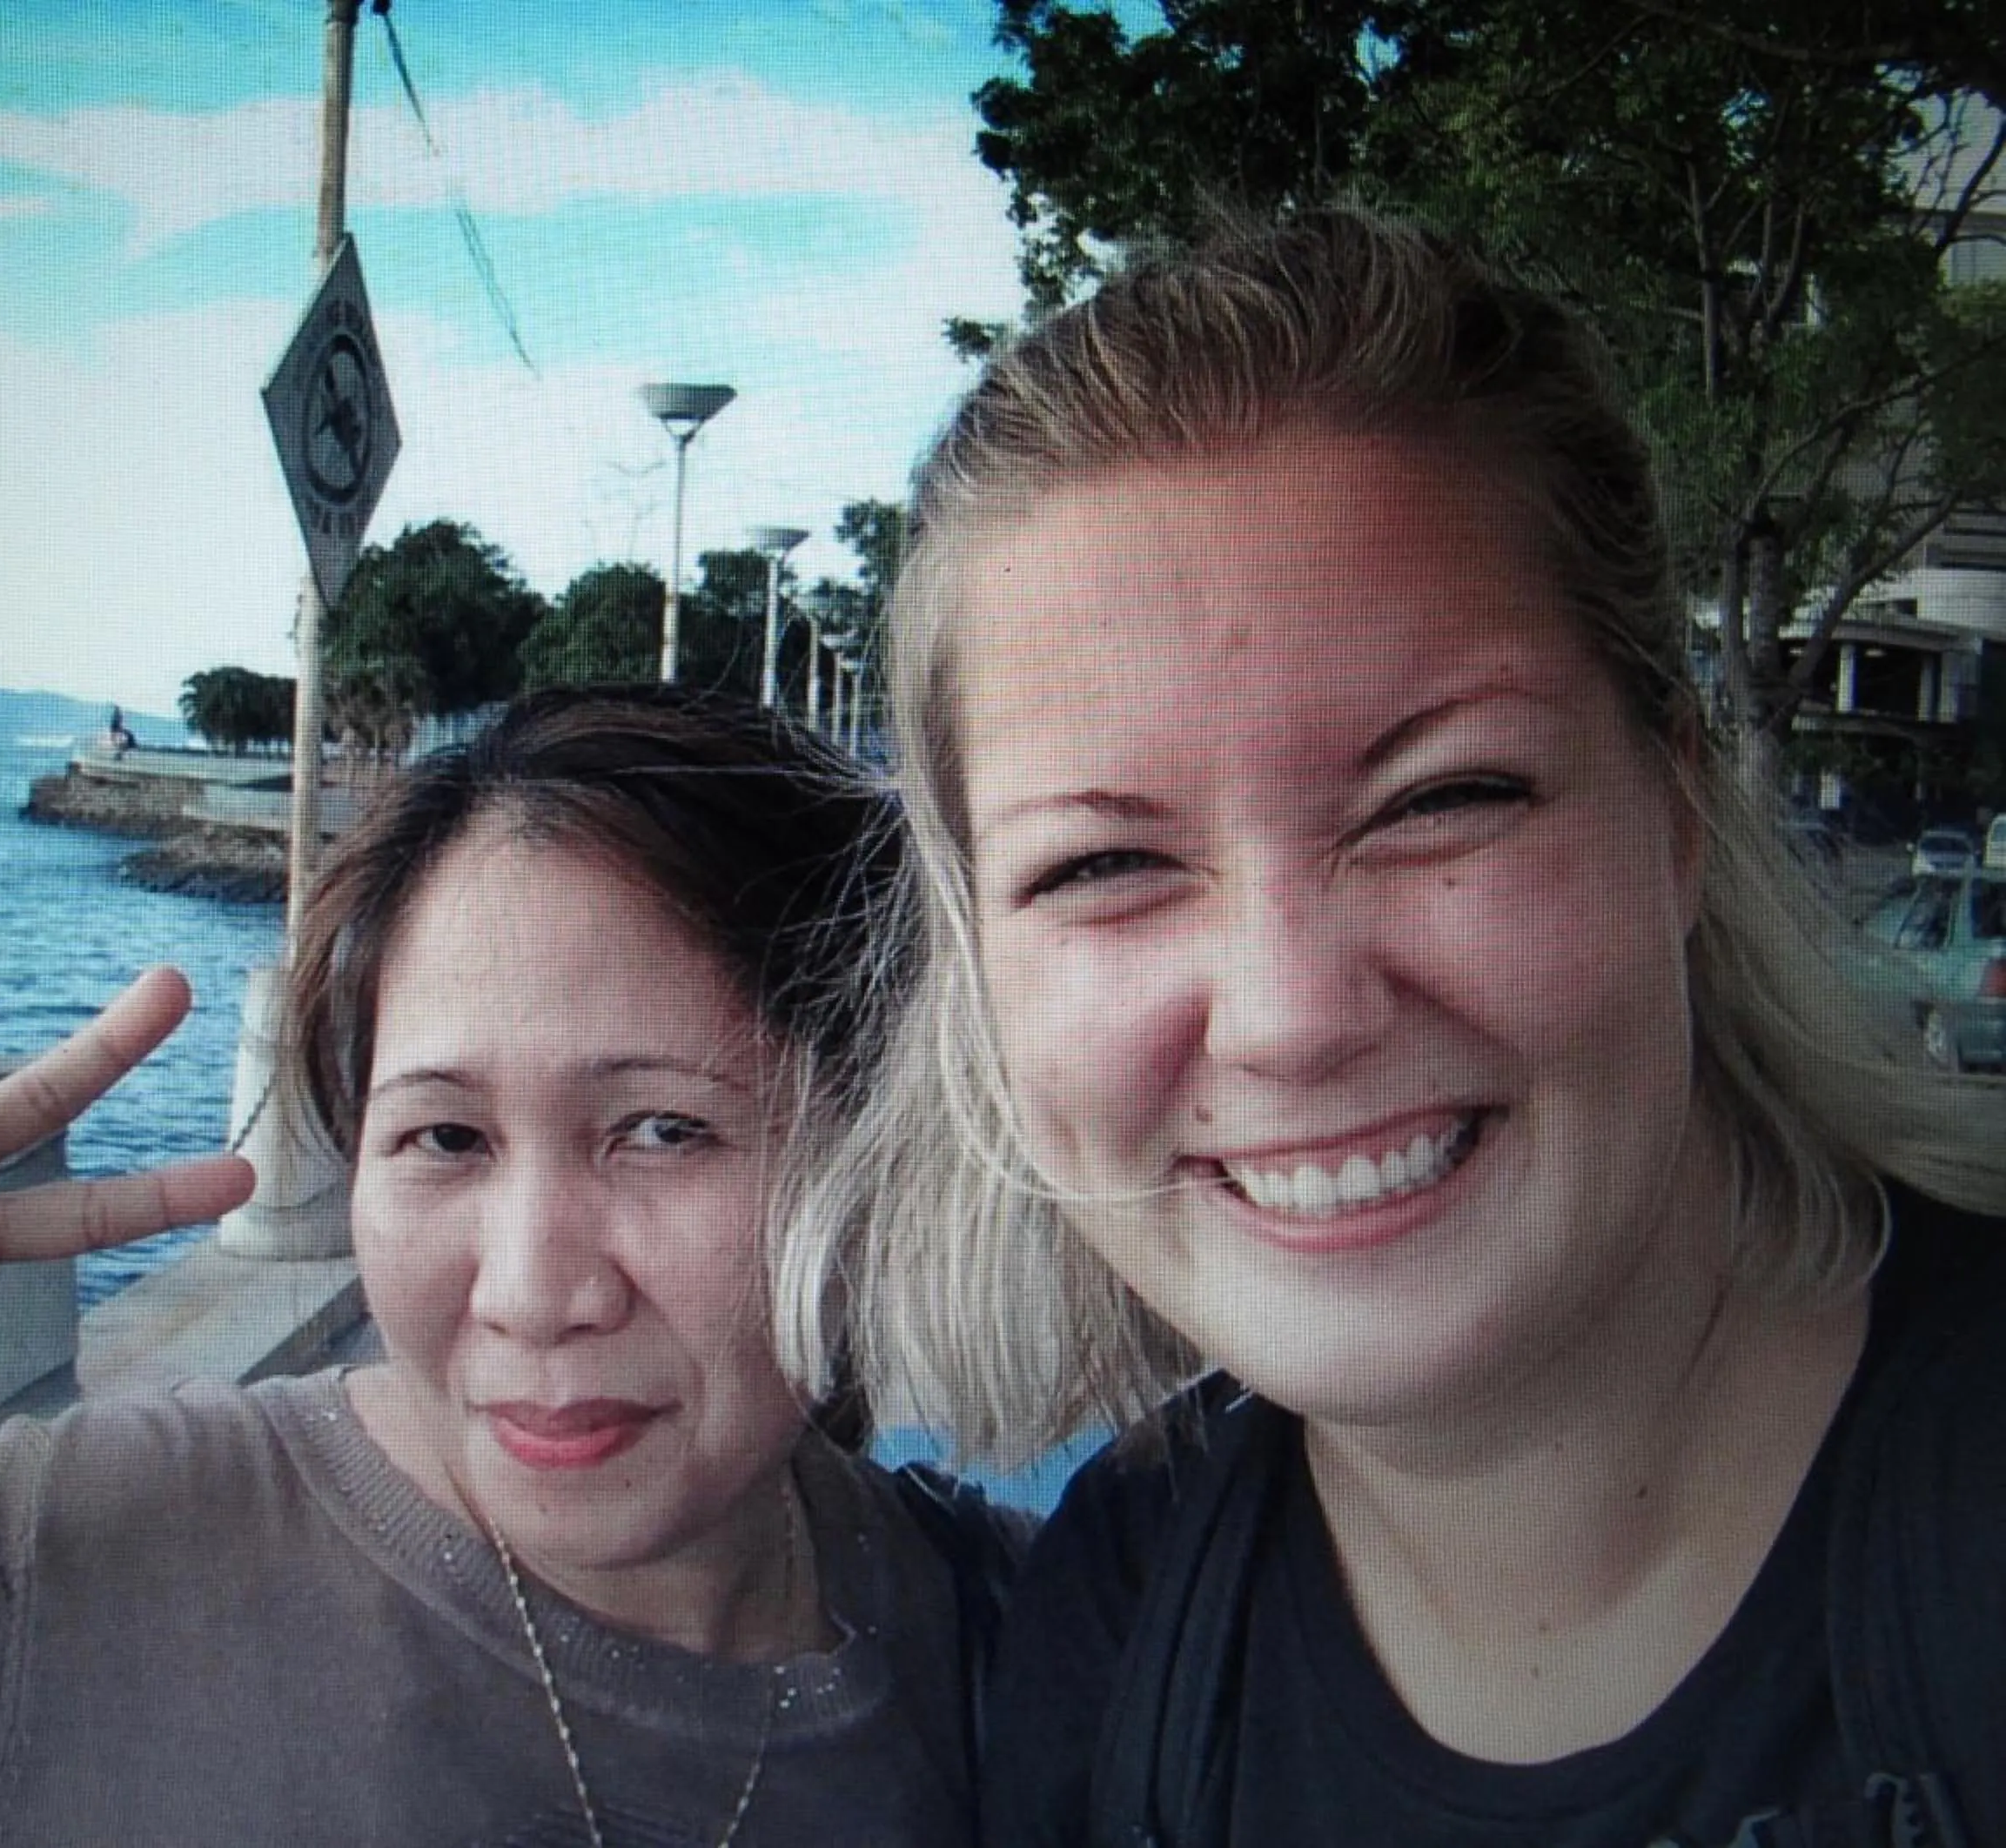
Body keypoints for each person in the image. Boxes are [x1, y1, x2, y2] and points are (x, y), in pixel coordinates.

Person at [778, 211, 2006, 1846]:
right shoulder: (1111, 1625)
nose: (1287, 1020)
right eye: (1108, 866)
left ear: (1680, 812)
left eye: (1444, 799)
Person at [0, 687, 990, 1847]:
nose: (529, 1289)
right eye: (441, 1141)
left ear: (875, 1142)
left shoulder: (999, 1630)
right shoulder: (65, 1562)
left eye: (660, 1132)